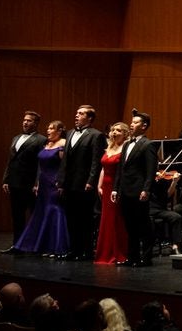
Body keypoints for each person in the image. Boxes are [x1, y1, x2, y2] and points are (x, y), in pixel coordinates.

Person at [12, 120, 70, 256]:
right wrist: (37, 183)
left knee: (54, 210)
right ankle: (42, 246)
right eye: (48, 128)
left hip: (54, 182)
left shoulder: (63, 144)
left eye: (51, 128)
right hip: (43, 183)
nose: (48, 131)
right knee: (42, 212)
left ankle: (56, 247)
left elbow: (64, 166)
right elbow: (40, 166)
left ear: (59, 131)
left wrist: (61, 182)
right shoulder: (47, 144)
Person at [60, 105, 107, 262]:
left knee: (85, 219)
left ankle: (86, 251)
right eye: (77, 113)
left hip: (84, 183)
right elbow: (65, 160)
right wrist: (61, 180)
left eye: (81, 114)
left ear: (90, 118)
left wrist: (91, 181)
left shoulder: (96, 135)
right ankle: (73, 250)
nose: (76, 115)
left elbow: (96, 161)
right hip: (69, 183)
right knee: (71, 217)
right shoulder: (70, 133)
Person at [114, 110, 158, 267]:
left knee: (143, 225)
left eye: (135, 122)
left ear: (144, 126)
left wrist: (146, 189)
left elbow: (151, 170)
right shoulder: (127, 144)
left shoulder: (148, 144)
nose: (131, 124)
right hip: (125, 191)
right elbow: (121, 169)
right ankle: (132, 257)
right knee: (130, 226)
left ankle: (146, 258)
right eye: (131, 122)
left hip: (139, 191)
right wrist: (115, 188)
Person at [2, 110, 45, 251]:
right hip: (14, 182)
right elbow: (10, 160)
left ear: (36, 123)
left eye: (29, 120)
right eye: (24, 120)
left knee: (34, 215)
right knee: (17, 216)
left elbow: (40, 163)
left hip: (29, 184)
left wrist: (37, 182)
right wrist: (6, 179)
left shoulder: (41, 140)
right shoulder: (16, 138)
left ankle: (34, 245)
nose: (25, 122)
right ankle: (17, 245)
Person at [94, 121, 130, 265]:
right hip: (106, 186)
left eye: (118, 130)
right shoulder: (109, 147)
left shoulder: (126, 148)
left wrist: (117, 188)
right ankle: (105, 252)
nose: (114, 132)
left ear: (125, 134)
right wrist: (99, 185)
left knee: (116, 219)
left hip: (117, 187)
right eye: (113, 130)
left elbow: (123, 171)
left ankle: (118, 252)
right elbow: (103, 168)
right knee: (106, 219)